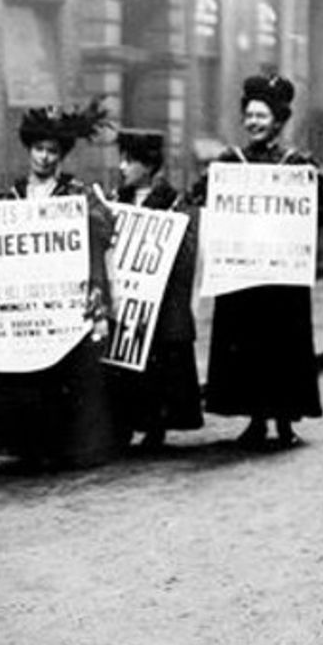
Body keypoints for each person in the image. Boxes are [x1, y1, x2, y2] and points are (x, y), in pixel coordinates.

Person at [190, 73, 323, 450]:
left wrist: (303, 208)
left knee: (283, 343)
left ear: (278, 120)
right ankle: (256, 419)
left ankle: (285, 420)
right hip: (242, 271)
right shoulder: (229, 162)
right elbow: (199, 196)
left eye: (262, 116)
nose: (254, 122)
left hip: (282, 274)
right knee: (247, 342)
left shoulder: (299, 164)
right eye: (250, 115)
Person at [0, 100, 119, 471]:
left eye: (52, 151)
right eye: (39, 149)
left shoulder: (75, 194)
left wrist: (86, 216)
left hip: (62, 301)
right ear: (29, 150)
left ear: (62, 155)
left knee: (62, 370)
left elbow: (101, 236)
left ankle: (62, 446)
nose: (44, 157)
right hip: (26, 301)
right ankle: (24, 445)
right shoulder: (13, 196)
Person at [104, 129, 203, 451]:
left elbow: (185, 250)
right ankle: (123, 424)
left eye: (129, 161)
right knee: (122, 363)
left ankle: (154, 426)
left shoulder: (172, 202)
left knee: (157, 365)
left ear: (148, 166)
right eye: (122, 160)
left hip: (159, 303)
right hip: (126, 297)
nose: (122, 167)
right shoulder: (118, 199)